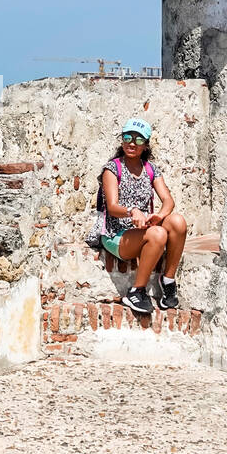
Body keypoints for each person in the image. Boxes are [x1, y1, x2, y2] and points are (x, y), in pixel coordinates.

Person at [100, 117, 188, 315]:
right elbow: (113, 206)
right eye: (128, 137)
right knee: (157, 234)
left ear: (146, 145)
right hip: (117, 233)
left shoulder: (150, 169)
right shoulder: (112, 168)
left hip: (144, 228)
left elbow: (168, 200)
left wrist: (160, 215)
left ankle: (168, 280)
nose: (132, 143)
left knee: (177, 221)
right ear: (122, 140)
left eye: (139, 140)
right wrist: (133, 211)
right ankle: (136, 291)